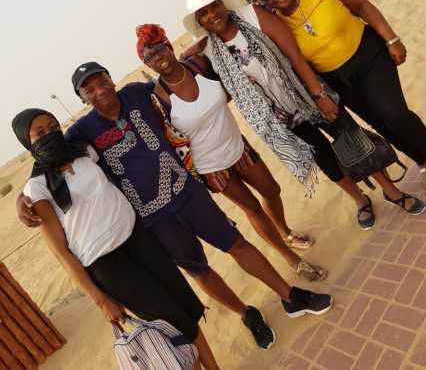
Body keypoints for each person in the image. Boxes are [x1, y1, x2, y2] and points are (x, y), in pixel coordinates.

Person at [16, 63, 333, 350]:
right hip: (154, 220)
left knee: (236, 243)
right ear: (82, 98)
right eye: (89, 89)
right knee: (199, 271)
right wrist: (21, 197)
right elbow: (48, 155)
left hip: (187, 193)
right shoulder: (82, 131)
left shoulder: (136, 93)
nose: (99, 91)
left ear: (111, 79)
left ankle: (289, 296)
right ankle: (246, 313)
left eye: (102, 82)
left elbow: (173, 78)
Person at [182, 0, 425, 230]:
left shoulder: (252, 15)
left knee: (351, 138)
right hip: (281, 115)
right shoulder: (209, 51)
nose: (212, 14)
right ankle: (360, 200)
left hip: (307, 93)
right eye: (203, 13)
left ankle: (391, 191)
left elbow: (295, 56)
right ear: (199, 21)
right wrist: (188, 52)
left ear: (222, 4)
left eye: (214, 5)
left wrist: (319, 95)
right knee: (323, 156)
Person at [11, 108, 218, 370]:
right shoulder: (37, 187)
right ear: (27, 144)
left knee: (186, 308)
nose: (49, 134)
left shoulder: (84, 152)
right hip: (107, 265)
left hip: (138, 239)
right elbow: (61, 252)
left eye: (53, 127)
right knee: (173, 324)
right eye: (39, 133)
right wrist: (100, 300)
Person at [136, 23, 326, 282]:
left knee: (272, 190)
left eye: (159, 49)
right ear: (146, 64)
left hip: (238, 145)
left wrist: (189, 51)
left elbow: (217, 46)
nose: (157, 57)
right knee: (253, 208)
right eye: (149, 56)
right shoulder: (158, 99)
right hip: (211, 167)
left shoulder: (198, 65)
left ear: (168, 46)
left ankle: (285, 232)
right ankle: (291, 258)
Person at [244, 0, 426, 212]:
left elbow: (361, 5)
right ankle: (422, 160)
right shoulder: (278, 25)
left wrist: (391, 38)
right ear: (262, 2)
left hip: (369, 55)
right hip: (339, 80)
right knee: (380, 124)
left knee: (393, 113)